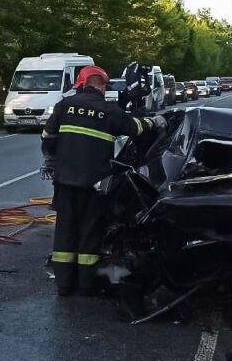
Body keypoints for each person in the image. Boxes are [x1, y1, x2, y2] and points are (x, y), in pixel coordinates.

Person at [40, 66, 166, 296]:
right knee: (89, 232)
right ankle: (86, 285)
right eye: (105, 86)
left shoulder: (64, 106)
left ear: (81, 83)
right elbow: (135, 127)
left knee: (65, 230)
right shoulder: (109, 110)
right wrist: (154, 122)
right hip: (94, 185)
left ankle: (64, 285)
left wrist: (51, 158)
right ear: (100, 85)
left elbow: (48, 137)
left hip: (65, 182)